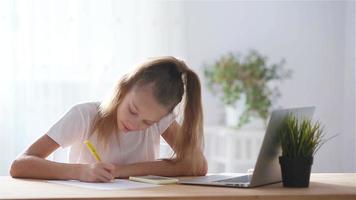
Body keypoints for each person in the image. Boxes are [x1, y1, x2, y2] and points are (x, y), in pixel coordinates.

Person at [10, 56, 207, 182]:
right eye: (132, 110)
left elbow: (197, 165)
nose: (135, 124)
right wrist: (80, 172)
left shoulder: (160, 119)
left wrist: (123, 170)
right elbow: (20, 165)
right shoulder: (85, 116)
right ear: (123, 89)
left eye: (148, 123)